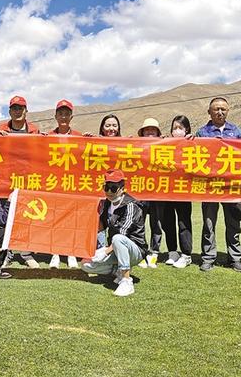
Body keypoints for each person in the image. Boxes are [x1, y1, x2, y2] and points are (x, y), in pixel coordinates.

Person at [195, 97, 241, 272]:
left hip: (231, 185)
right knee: (209, 223)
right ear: (209, 112)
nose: (220, 112)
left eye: (223, 109)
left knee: (233, 223)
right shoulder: (202, 132)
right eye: (216, 109)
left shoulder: (236, 131)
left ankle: (235, 258)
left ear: (228, 111)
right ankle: (208, 257)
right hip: (210, 186)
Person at [82, 169, 147, 297]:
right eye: (106, 188)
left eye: (113, 188)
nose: (109, 192)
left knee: (117, 238)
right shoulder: (107, 203)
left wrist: (105, 252)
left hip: (135, 250)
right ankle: (117, 270)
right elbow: (101, 226)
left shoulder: (131, 205)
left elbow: (123, 234)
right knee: (86, 264)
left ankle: (126, 281)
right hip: (115, 249)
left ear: (122, 189)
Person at [0, 95, 40, 268]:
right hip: (6, 180)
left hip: (27, 180)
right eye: (14, 108)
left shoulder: (34, 130)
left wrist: (42, 139)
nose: (17, 111)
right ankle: (7, 252)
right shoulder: (1, 129)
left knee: (26, 216)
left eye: (20, 108)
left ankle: (26, 253)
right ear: (9, 111)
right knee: (6, 218)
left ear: (26, 111)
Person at [48, 99, 81, 269]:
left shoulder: (79, 137)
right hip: (54, 184)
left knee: (71, 220)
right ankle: (55, 253)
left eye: (66, 114)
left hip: (72, 185)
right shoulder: (47, 137)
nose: (63, 116)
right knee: (55, 219)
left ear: (71, 117)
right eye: (60, 113)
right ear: (55, 116)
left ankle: (71, 253)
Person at [160, 115, 194, 269]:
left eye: (181, 127)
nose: (177, 131)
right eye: (175, 128)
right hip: (167, 189)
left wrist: (194, 141)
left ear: (187, 129)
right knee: (168, 222)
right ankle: (172, 251)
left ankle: (186, 254)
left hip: (184, 190)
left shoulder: (192, 143)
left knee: (183, 222)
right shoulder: (166, 144)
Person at [135, 118, 169, 269]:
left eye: (153, 130)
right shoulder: (135, 147)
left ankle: (154, 252)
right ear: (142, 132)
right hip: (140, 192)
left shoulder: (164, 148)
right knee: (139, 224)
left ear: (157, 132)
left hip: (158, 192)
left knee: (157, 224)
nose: (150, 132)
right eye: (147, 129)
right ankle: (141, 252)